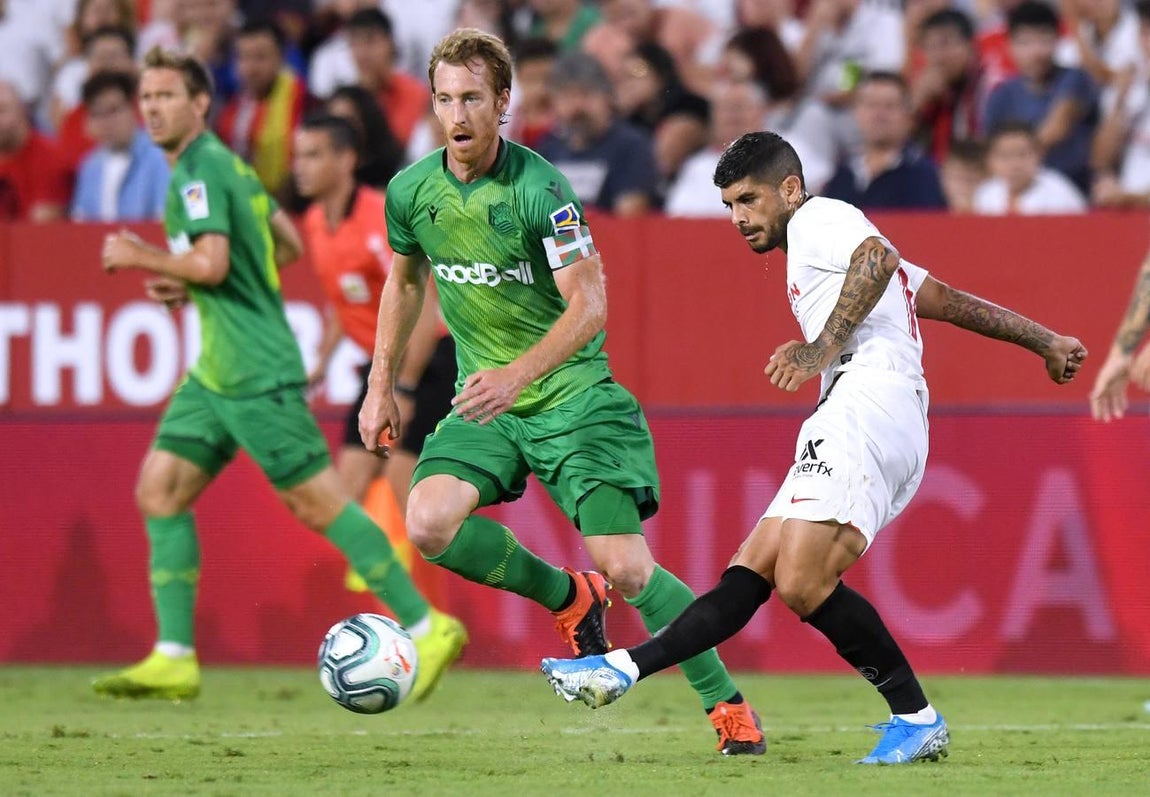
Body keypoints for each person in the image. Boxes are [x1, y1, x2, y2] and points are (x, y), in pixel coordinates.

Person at [541, 130, 1088, 764]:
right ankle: (622, 668)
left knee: (802, 578)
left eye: (748, 199)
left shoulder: (821, 220)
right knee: (755, 569)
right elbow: (939, 298)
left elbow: (878, 260)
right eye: (729, 206)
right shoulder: (826, 240)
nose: (739, 218)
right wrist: (1044, 340)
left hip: (867, 399)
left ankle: (916, 716)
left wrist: (821, 348)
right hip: (867, 409)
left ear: (791, 189)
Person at [358, 28, 766, 755]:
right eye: (445, 98)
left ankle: (726, 704)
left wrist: (516, 376)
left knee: (628, 566)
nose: (458, 114)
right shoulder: (411, 191)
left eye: (473, 98)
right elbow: (405, 278)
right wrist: (380, 384)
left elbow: (590, 305)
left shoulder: (541, 189)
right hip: (488, 405)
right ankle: (565, 596)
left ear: (504, 101)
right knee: (426, 522)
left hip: (572, 401)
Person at [90, 47, 465, 704]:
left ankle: (428, 624)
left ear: (200, 104)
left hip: (253, 370)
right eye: (145, 97)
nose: (152, 109)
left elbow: (210, 262)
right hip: (215, 371)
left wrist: (142, 255)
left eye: (165, 96)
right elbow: (283, 243)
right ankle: (174, 655)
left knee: (318, 502)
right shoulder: (229, 168)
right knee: (160, 489)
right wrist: (202, 285)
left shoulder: (198, 173)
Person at [294, 111, 459, 587]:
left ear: (346, 160)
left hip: (428, 360)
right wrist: (321, 364)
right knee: (345, 492)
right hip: (382, 367)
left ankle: (436, 612)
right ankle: (402, 611)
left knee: (405, 488)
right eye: (298, 156)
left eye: (313, 154)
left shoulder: (378, 215)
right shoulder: (313, 221)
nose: (300, 166)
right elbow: (339, 300)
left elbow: (424, 306)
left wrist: (403, 386)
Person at [822, 71, 947, 210]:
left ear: (909, 116)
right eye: (871, 105)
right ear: (856, 113)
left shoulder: (925, 176)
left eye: (889, 106)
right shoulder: (842, 176)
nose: (879, 115)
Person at [71, 70, 170, 222]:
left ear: (133, 108)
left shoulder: (160, 156)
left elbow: (163, 219)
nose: (107, 122)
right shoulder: (90, 166)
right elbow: (80, 223)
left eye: (113, 110)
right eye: (98, 114)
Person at [973, 121, 1087, 215]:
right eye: (1005, 156)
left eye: (1022, 154)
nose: (1014, 164)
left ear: (1039, 156)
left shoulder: (1060, 191)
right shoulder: (985, 193)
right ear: (990, 161)